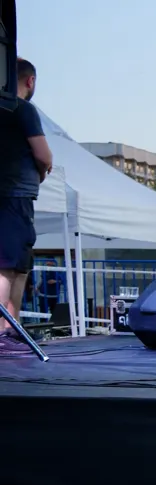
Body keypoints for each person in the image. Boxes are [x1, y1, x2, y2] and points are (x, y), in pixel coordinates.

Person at [0, 58, 53, 353]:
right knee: (7, 268)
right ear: (30, 81)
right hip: (15, 196)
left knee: (18, 266)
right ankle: (4, 330)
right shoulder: (22, 108)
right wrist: (43, 170)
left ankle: (13, 327)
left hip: (9, 196)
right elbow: (43, 155)